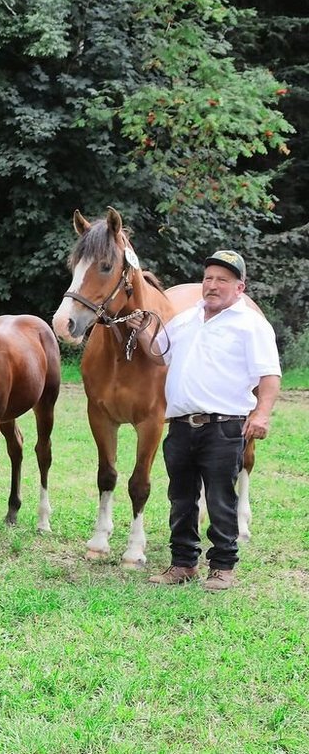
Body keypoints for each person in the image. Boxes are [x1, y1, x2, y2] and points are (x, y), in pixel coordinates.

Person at [139, 249, 280, 591]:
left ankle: (221, 567)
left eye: (222, 280)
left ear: (239, 287)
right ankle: (183, 564)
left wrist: (261, 413)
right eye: (208, 278)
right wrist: (140, 330)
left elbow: (269, 375)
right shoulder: (185, 320)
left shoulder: (251, 325)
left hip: (224, 425)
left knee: (219, 498)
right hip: (181, 425)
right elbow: (158, 356)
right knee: (181, 498)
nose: (212, 286)